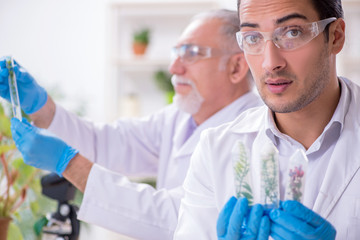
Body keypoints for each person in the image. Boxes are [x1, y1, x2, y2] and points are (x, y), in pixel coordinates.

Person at [0, 9, 263, 239]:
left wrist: (67, 163)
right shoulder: (178, 118)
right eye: (176, 53)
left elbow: (180, 217)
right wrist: (43, 109)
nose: (173, 67)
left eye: (191, 53)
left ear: (236, 68)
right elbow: (105, 144)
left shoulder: (254, 136)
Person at [174, 0, 360, 239]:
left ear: (336, 36)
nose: (270, 63)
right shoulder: (215, 149)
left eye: (292, 32)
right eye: (253, 37)